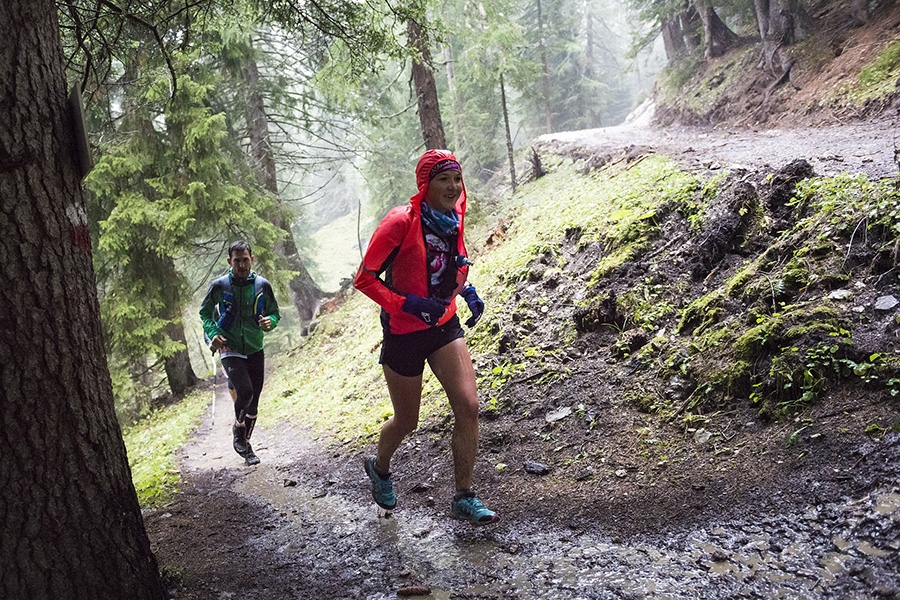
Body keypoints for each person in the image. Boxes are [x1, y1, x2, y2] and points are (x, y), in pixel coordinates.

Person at [354, 149, 498, 525]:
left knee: (468, 407)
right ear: (425, 184)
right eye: (443, 179)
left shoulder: (454, 216)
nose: (452, 187)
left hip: (444, 326)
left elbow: (450, 261)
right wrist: (409, 304)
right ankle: (380, 467)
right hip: (403, 332)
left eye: (456, 179)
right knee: (407, 421)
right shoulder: (400, 222)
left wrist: (465, 289)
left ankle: (464, 495)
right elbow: (364, 279)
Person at [200, 241, 280, 466]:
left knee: (253, 403)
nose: (242, 265)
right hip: (230, 348)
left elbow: (274, 313)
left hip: (255, 346)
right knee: (244, 392)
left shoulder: (263, 285)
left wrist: (269, 322)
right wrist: (213, 333)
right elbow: (205, 313)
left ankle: (245, 445)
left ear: (252, 259)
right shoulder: (220, 285)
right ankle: (239, 430)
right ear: (229, 262)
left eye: (245, 260)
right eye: (237, 261)